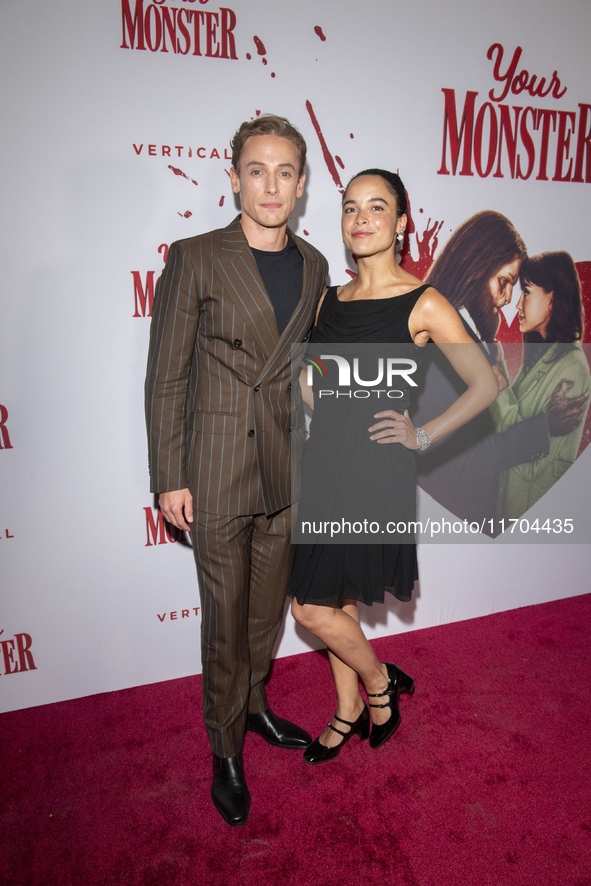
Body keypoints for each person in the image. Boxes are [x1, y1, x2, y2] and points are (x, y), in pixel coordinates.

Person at [145, 115, 328, 826]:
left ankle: (253, 706)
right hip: (215, 469)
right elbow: (167, 377)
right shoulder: (195, 257)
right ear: (233, 179)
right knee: (223, 619)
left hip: (285, 468)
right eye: (257, 170)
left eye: (285, 171)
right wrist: (169, 474)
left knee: (263, 615)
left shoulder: (313, 264)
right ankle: (224, 748)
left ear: (302, 184)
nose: (271, 184)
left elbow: (304, 368)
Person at [288, 169, 498, 761]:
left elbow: (484, 384)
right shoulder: (329, 299)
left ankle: (380, 685)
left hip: (375, 473)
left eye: (376, 207)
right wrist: (305, 389)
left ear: (402, 222)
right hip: (323, 462)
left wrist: (423, 435)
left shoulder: (423, 301)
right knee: (337, 597)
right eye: (351, 207)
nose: (361, 219)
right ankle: (349, 706)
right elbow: (320, 386)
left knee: (309, 606)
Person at [413, 212, 586, 533]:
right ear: (476, 269)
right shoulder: (446, 344)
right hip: (452, 527)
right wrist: (544, 427)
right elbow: (462, 461)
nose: (508, 301)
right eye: (504, 283)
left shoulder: (473, 342)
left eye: (518, 289)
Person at [490, 251, 590, 519]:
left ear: (552, 299)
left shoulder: (572, 370)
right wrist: (499, 370)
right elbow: (518, 426)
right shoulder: (543, 355)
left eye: (527, 292)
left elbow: (530, 465)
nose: (518, 305)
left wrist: (499, 390)